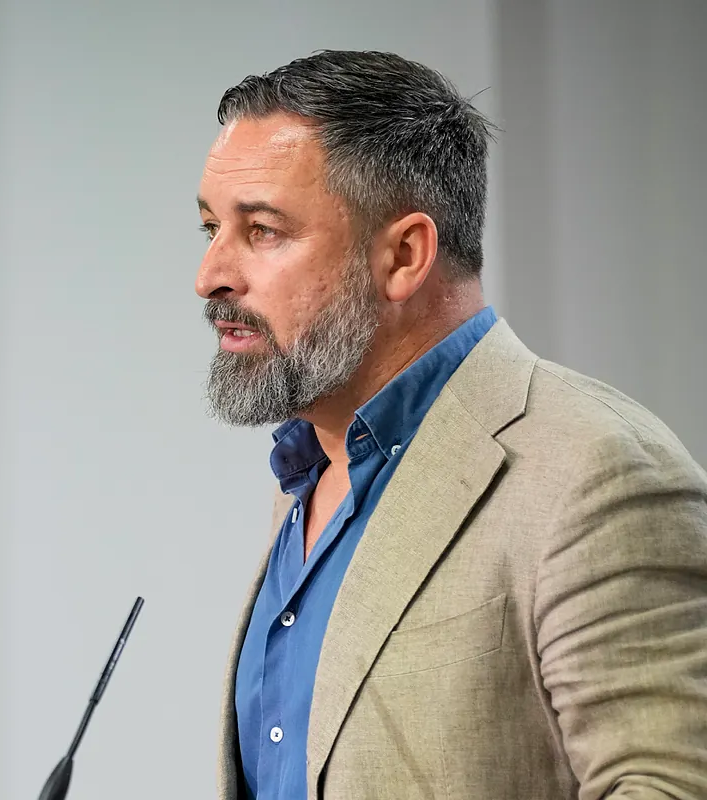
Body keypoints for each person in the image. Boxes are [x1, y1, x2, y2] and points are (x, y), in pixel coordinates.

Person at [196, 50, 707, 800]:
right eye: (211, 228)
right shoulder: (310, 471)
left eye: (263, 231)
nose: (209, 275)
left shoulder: (596, 473)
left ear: (404, 255)